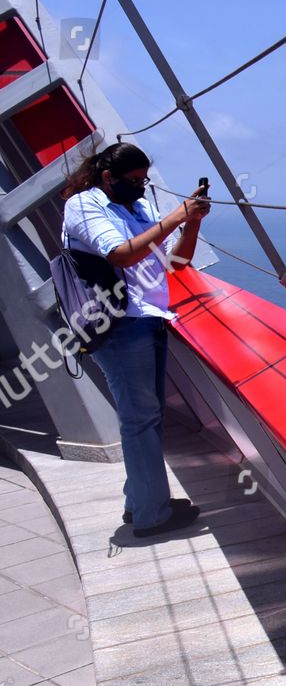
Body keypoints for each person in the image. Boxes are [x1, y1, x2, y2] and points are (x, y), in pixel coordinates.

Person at [60, 142, 210, 537]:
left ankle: (142, 501)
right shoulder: (83, 206)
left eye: (145, 180)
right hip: (117, 324)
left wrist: (191, 222)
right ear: (108, 177)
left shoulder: (137, 208)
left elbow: (175, 263)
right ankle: (150, 515)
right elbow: (121, 255)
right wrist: (179, 214)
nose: (141, 188)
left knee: (147, 416)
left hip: (149, 318)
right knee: (140, 420)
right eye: (134, 180)